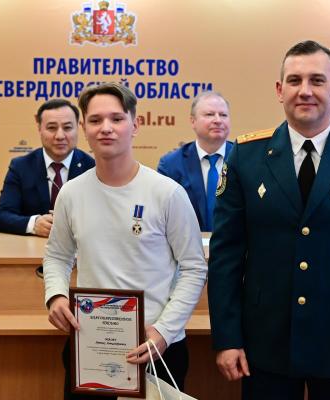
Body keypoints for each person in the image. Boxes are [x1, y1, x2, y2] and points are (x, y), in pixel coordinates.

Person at [208, 40, 330, 400]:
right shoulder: (246, 157)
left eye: (317, 80)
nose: (305, 91)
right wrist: (227, 338)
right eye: (294, 80)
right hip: (264, 345)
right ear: (279, 90)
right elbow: (225, 256)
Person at [43, 82, 207, 399]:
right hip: (90, 345)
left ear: (135, 125)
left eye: (117, 119)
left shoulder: (167, 193)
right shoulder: (72, 193)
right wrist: (56, 296)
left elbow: (193, 268)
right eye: (95, 120)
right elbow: (57, 256)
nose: (106, 128)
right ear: (84, 128)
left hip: (155, 347)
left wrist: (164, 331)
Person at [0, 99, 95, 236]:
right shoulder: (21, 167)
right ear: (39, 128)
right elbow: (1, 218)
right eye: (51, 128)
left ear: (78, 128)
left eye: (67, 128)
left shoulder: (92, 167)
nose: (60, 136)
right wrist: (34, 224)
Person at [157, 91, 233, 231]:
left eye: (223, 115)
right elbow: (162, 216)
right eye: (209, 114)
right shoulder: (170, 165)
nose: (218, 120)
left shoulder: (244, 159)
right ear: (193, 121)